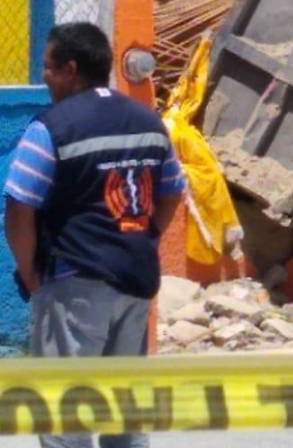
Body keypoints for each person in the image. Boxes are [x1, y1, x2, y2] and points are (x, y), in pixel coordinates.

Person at [4, 23, 184, 448]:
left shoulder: (51, 128)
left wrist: (29, 273)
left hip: (74, 285)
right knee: (127, 418)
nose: (44, 76)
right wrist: (145, 237)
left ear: (70, 70)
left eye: (47, 68)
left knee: (67, 422)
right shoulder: (149, 122)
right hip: (135, 282)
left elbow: (18, 206)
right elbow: (173, 191)